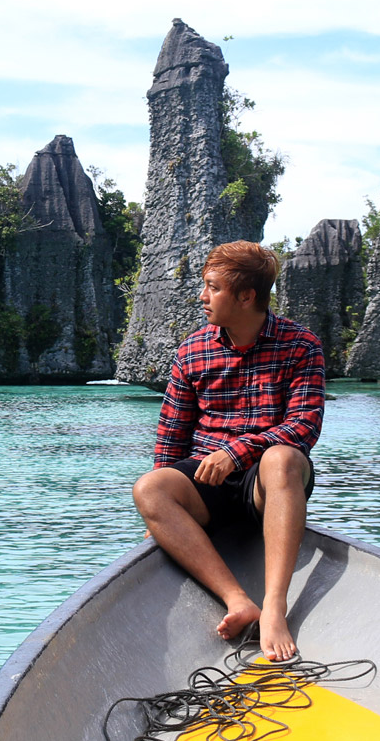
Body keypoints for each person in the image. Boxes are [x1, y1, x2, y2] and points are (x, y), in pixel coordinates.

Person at [132, 241, 325, 661]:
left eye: (212, 287)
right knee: (150, 489)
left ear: (245, 296)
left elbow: (304, 427)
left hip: (269, 485)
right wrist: (160, 517)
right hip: (208, 483)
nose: (203, 297)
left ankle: (274, 605)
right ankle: (238, 600)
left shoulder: (301, 345)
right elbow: (172, 435)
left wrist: (238, 452)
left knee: (283, 457)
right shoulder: (192, 350)